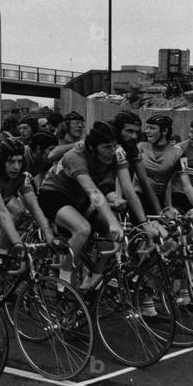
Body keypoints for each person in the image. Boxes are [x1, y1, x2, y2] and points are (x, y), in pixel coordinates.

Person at [37, 121, 156, 291]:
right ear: (92, 147)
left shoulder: (117, 152)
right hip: (54, 194)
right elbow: (93, 192)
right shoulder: (76, 156)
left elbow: (129, 189)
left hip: (80, 196)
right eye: (107, 147)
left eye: (114, 146)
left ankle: (95, 277)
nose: (112, 152)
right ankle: (63, 281)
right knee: (82, 229)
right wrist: (113, 221)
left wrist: (144, 223)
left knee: (110, 233)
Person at [0, 137, 57, 275]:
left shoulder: (20, 175)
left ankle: (2, 256)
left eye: (20, 161)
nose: (16, 167)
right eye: (11, 161)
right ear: (1, 162)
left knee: (19, 210)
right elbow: (1, 211)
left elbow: (33, 206)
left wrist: (49, 235)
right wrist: (18, 243)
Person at [138, 114, 183, 215]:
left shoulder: (178, 153)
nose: (147, 131)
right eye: (146, 128)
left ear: (164, 131)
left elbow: (176, 183)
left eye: (152, 128)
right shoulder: (140, 147)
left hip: (159, 199)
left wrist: (169, 207)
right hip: (138, 196)